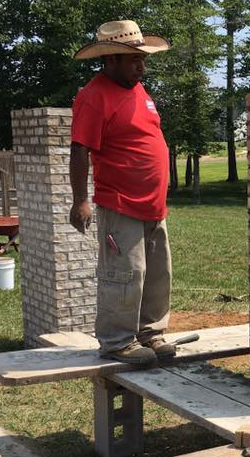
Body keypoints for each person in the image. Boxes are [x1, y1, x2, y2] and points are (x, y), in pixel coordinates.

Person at [69, 20, 175, 364]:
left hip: (153, 204)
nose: (141, 67)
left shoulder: (139, 91)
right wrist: (80, 200)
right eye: (134, 60)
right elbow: (80, 148)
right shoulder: (94, 96)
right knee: (125, 274)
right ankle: (117, 342)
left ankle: (150, 332)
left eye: (142, 59)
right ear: (111, 59)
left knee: (158, 272)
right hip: (120, 203)